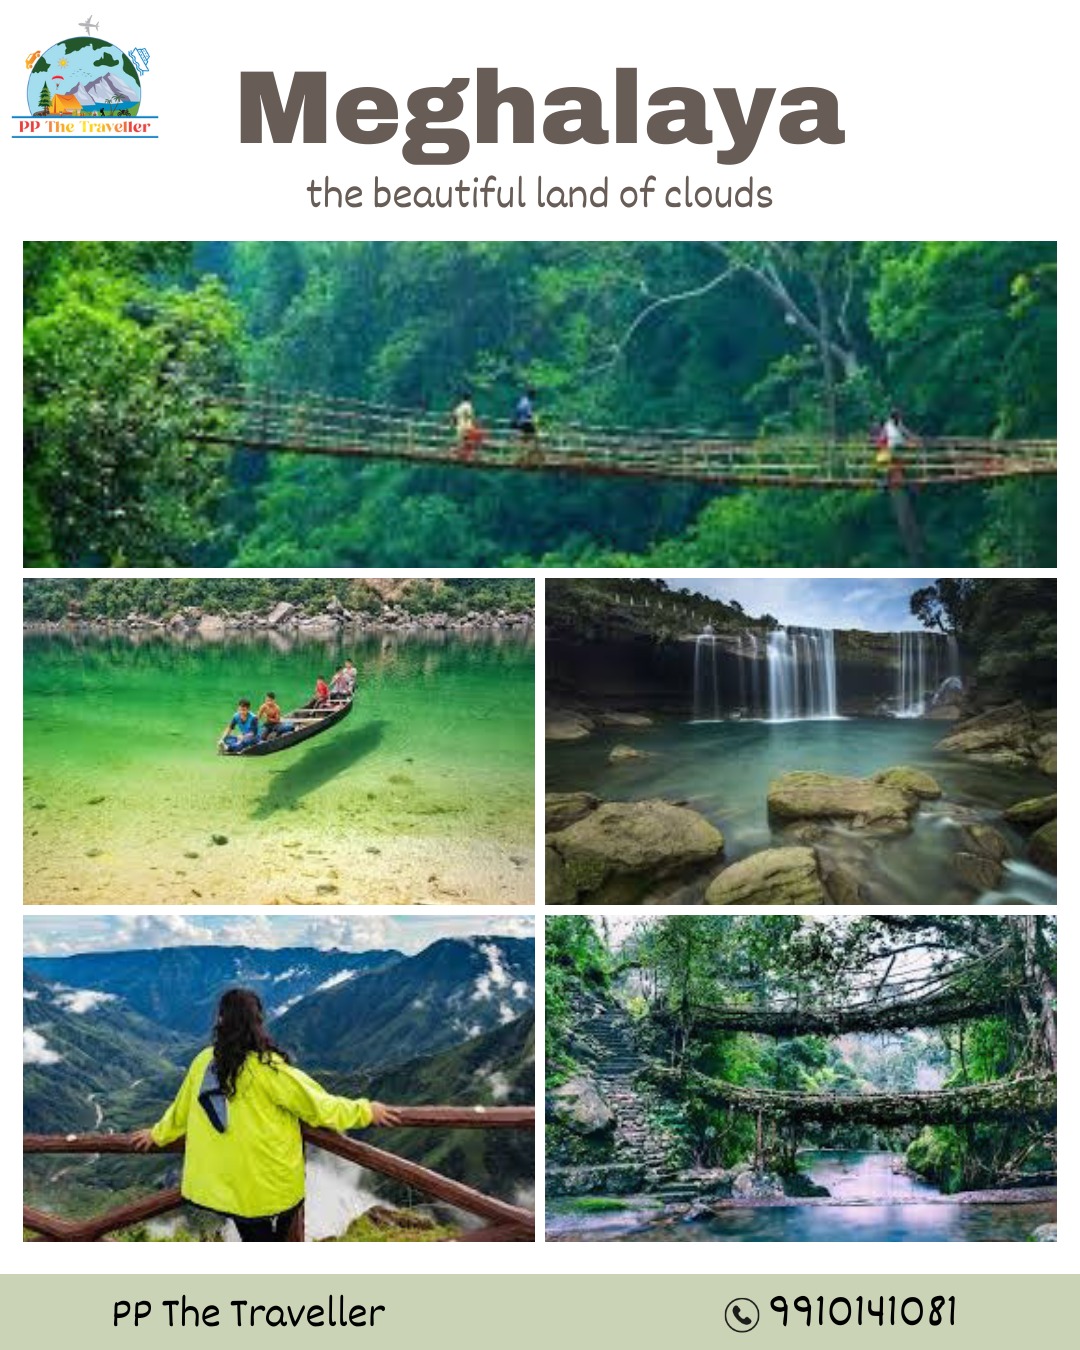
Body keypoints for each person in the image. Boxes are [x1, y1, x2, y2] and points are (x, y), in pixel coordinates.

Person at [132, 988, 400, 1242]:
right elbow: (322, 1108)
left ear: (220, 1020)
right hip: (270, 1184)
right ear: (257, 1022)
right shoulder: (270, 1070)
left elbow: (180, 1112)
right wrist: (367, 1111)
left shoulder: (203, 1062)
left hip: (231, 1186)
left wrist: (156, 1134)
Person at [452, 391, 483, 461]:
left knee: (461, 442)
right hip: (467, 427)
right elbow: (470, 416)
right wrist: (476, 423)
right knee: (472, 440)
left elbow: (454, 416)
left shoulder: (459, 406)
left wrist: (456, 424)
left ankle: (460, 454)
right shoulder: (468, 406)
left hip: (459, 427)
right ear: (469, 398)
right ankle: (471, 455)